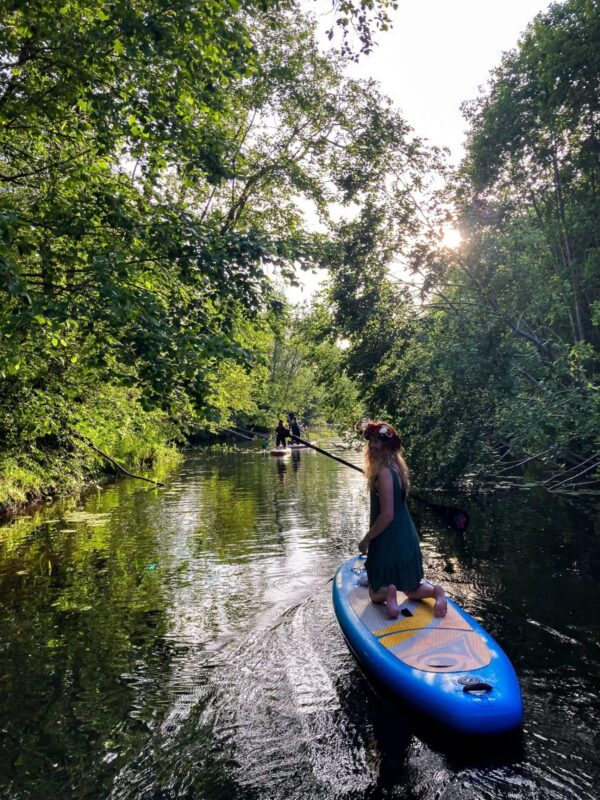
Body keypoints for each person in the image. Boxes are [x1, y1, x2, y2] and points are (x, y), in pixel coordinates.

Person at [357, 421, 447, 619]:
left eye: (377, 441)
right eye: (370, 440)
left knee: (373, 593)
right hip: (407, 538)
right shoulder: (398, 468)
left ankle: (389, 594)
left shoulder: (383, 474)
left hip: (389, 540)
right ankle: (436, 592)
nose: (372, 445)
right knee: (412, 589)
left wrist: (367, 539)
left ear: (388, 446)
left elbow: (387, 515)